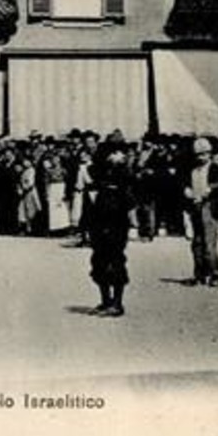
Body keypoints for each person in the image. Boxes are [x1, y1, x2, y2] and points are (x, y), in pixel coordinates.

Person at [88, 131, 134, 316]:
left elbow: (130, 191)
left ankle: (117, 303)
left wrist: (122, 164)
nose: (115, 155)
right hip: (100, 214)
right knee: (99, 259)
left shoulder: (125, 171)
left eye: (118, 150)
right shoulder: (101, 165)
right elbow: (94, 171)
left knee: (115, 259)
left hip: (117, 219)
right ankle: (106, 301)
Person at [183, 137, 218, 287]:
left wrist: (210, 190)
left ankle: (215, 273)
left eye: (204, 154)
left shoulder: (215, 167)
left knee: (209, 243)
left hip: (209, 206)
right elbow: (186, 183)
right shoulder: (193, 170)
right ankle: (200, 273)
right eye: (198, 155)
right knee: (197, 242)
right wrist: (186, 190)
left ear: (209, 154)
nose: (200, 158)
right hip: (196, 205)